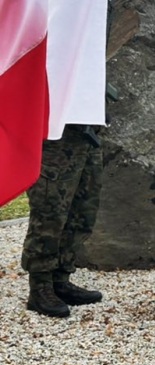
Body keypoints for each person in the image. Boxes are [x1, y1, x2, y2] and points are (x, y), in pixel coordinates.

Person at [22, 125, 104, 318]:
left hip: (88, 133)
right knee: (50, 214)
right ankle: (40, 286)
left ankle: (60, 279)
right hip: (56, 134)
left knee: (82, 212)